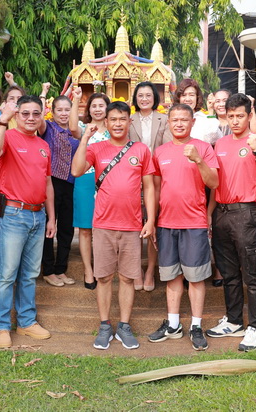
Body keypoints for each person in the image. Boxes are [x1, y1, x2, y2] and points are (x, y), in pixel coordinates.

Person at [71, 101, 156, 351]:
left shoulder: (141, 150)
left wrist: (150, 219)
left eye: (122, 119)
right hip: (103, 224)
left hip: (131, 225)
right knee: (104, 277)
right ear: (106, 123)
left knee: (128, 278)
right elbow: (76, 170)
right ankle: (105, 325)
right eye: (113, 120)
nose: (118, 124)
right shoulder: (96, 148)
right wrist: (85, 139)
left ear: (130, 121)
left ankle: (125, 326)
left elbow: (149, 187)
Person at [147, 104, 218, 351]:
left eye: (184, 120)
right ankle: (173, 324)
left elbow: (214, 182)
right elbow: (156, 189)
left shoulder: (204, 148)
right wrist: (153, 221)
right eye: (175, 120)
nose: (179, 124)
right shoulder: (160, 152)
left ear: (192, 122)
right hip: (166, 223)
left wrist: (198, 160)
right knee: (171, 276)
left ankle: (196, 326)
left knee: (196, 278)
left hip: (194, 222)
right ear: (168, 122)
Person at [206, 93, 256, 352]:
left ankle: (255, 328)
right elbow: (215, 184)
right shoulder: (220, 144)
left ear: (249, 115)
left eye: (240, 116)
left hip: (246, 212)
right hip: (221, 213)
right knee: (229, 273)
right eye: (231, 116)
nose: (235, 121)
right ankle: (234, 320)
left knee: (252, 275)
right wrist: (209, 214)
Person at [0, 95, 56, 348]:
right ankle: (1, 325)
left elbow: (47, 182)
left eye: (36, 113)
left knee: (30, 274)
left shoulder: (43, 145)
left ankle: (26, 322)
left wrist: (51, 218)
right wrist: (2, 121)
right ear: (17, 115)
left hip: (38, 214)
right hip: (13, 214)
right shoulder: (7, 136)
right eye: (25, 113)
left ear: (42, 115)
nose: (30, 118)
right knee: (7, 273)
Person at [129, 81, 172, 292]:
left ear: (155, 97)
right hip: (132, 176)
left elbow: (167, 146)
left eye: (148, 95)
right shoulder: (128, 120)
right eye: (140, 95)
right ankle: (136, 268)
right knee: (135, 224)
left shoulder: (164, 119)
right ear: (135, 98)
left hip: (157, 177)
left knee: (152, 222)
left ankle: (150, 270)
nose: (144, 99)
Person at [69, 89, 110, 289]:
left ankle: (104, 267)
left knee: (105, 228)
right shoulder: (84, 129)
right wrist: (77, 99)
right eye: (94, 106)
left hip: (108, 182)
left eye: (101, 105)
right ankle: (88, 270)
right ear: (89, 109)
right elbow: (71, 127)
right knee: (85, 228)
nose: (97, 109)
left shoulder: (114, 128)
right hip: (85, 179)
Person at [39, 94, 80, 287]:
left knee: (66, 228)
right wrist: (43, 95)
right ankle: (48, 270)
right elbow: (39, 118)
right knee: (49, 226)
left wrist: (76, 100)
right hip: (51, 182)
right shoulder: (47, 127)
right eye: (60, 110)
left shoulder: (76, 130)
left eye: (67, 110)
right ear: (52, 112)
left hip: (71, 183)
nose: (63, 113)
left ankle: (60, 268)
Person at [173, 79, 220, 145]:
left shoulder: (204, 119)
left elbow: (214, 139)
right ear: (179, 98)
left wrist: (211, 111)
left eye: (191, 95)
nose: (187, 99)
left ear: (197, 97)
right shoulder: (172, 119)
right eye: (184, 95)